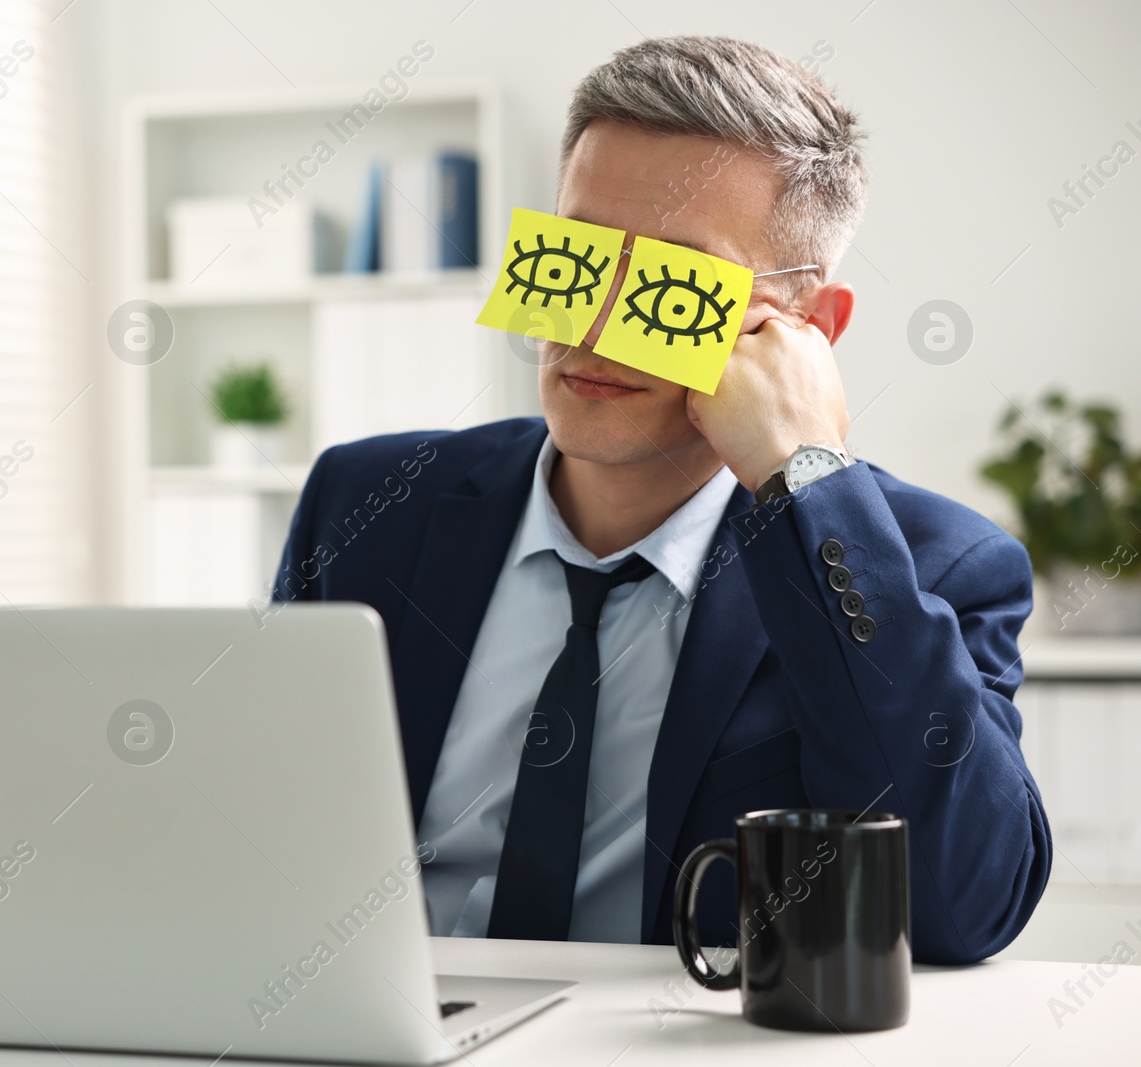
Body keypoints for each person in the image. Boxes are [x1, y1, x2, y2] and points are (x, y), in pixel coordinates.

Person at [268, 35, 1049, 964]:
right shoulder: (365, 506)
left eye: (669, 286)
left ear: (805, 330)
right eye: (573, 257)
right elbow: (255, 841)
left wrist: (806, 480)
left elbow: (963, 909)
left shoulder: (933, 567)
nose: (595, 327)